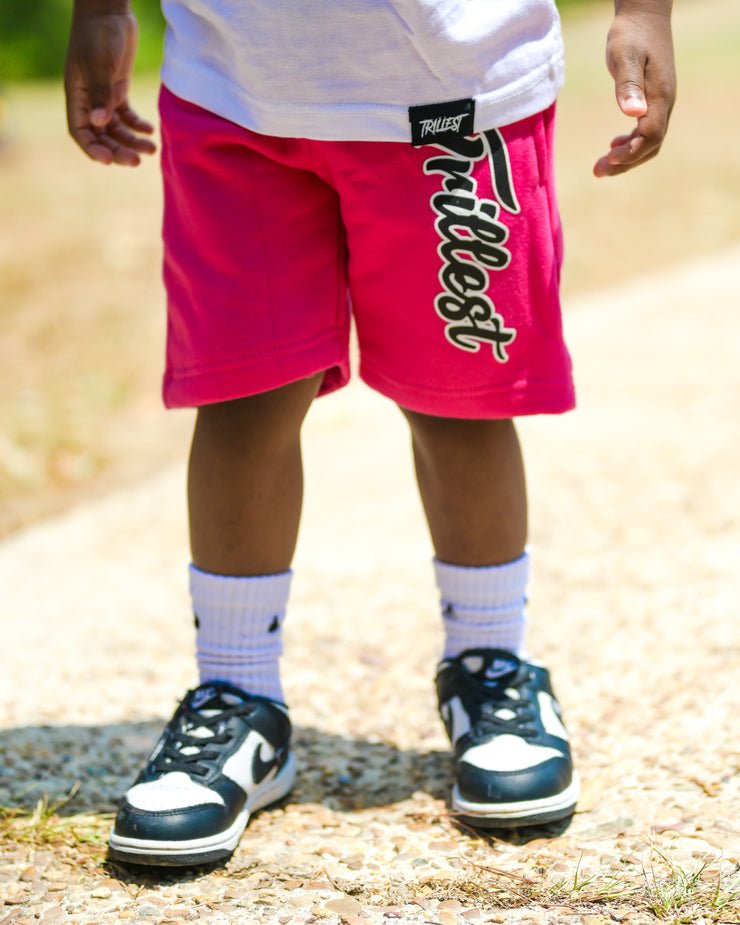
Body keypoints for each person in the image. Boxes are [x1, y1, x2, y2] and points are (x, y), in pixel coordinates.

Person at [64, 0, 676, 867]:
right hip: (235, 86)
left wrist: (643, 12)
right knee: (245, 392)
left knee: (460, 397)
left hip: (457, 89)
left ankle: (489, 667)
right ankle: (238, 694)